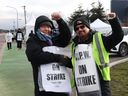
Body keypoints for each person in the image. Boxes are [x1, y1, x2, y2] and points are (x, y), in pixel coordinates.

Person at [69, 12, 124, 96]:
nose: (79, 29)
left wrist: (113, 20)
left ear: (88, 27)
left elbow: (118, 36)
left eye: (82, 26)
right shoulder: (74, 45)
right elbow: (74, 62)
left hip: (101, 82)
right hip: (82, 85)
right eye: (77, 28)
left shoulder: (99, 39)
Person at [25, 12, 72, 96]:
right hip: (44, 89)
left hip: (61, 86)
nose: (47, 29)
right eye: (43, 26)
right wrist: (58, 58)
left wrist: (60, 21)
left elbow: (66, 37)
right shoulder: (33, 40)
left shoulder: (53, 40)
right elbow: (34, 56)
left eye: (49, 27)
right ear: (37, 28)